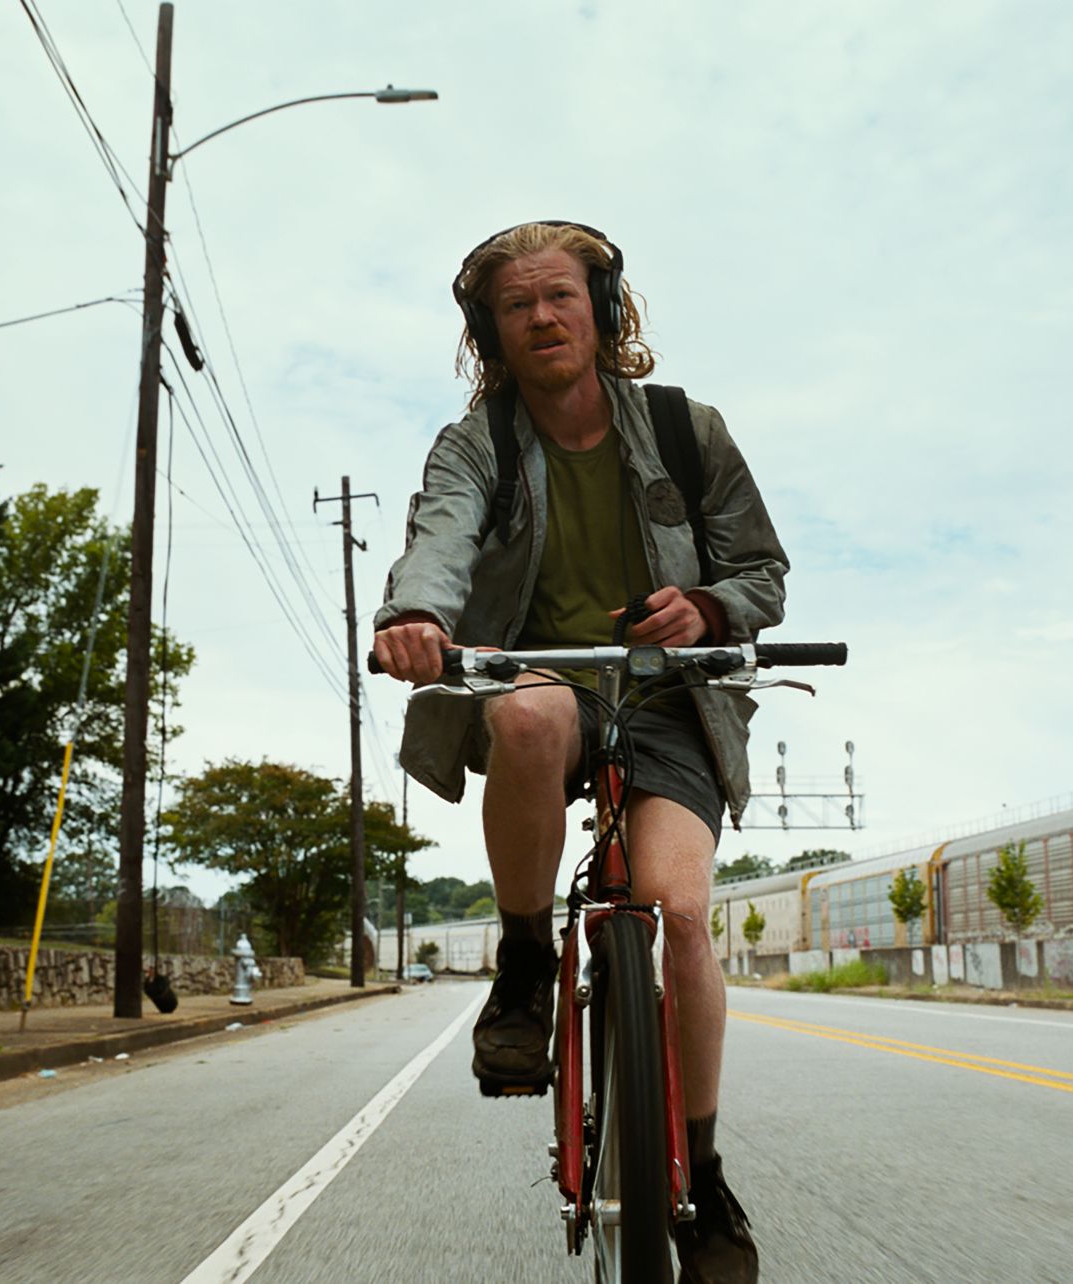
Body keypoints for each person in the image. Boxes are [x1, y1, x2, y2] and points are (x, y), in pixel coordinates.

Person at [374, 221, 788, 1283]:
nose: (543, 317)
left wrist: (705, 604)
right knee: (522, 714)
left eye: (560, 296)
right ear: (492, 335)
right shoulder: (479, 444)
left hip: (672, 702)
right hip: (544, 677)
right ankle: (523, 960)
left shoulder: (687, 431)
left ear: (602, 313)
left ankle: (703, 1170)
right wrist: (418, 617)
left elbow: (761, 571)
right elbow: (441, 538)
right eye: (518, 307)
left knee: (681, 913)